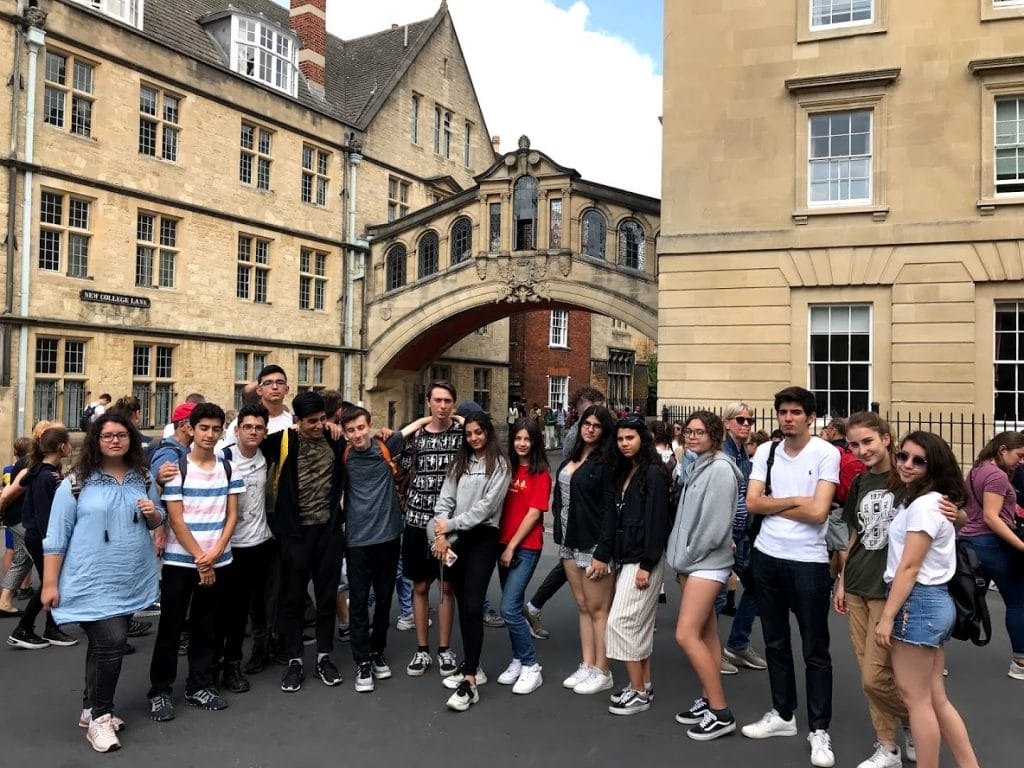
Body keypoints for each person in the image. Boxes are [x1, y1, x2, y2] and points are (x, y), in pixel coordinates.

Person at [41, 411, 165, 752]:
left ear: (131, 440)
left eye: (121, 435)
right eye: (107, 435)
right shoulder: (76, 482)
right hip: (90, 578)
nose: (114, 440)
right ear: (96, 440)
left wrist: (155, 514)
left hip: (129, 576)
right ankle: (100, 717)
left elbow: (156, 519)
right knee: (112, 640)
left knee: (102, 646)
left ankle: (89, 707)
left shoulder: (143, 476)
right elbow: (55, 536)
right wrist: (49, 584)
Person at [742, 386, 839, 768]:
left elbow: (820, 514)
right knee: (775, 642)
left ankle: (819, 729)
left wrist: (776, 504)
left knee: (815, 649)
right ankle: (783, 714)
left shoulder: (826, 453)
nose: (788, 418)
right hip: (767, 557)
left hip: (809, 562)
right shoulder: (766, 451)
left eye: (796, 412)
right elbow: (752, 503)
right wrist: (798, 500)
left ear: (810, 417)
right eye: (783, 411)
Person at [875, 432, 979, 768]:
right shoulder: (930, 501)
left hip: (916, 603)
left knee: (916, 700)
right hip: (933, 602)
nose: (907, 464)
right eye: (904, 456)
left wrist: (888, 616)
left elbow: (909, 567)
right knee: (935, 698)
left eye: (918, 460)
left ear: (933, 465)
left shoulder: (922, 505)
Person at [147, 403, 242, 721]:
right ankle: (160, 691)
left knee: (208, 626)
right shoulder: (177, 468)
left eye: (217, 429)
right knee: (171, 628)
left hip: (219, 561)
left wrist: (214, 555)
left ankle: (198, 686)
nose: (210, 434)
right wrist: (202, 559)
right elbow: (176, 520)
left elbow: (232, 515)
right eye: (204, 428)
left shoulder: (228, 467)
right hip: (180, 563)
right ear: (192, 428)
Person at [261, 391, 347, 693]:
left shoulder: (336, 439)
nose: (318, 425)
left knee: (326, 598)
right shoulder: (283, 440)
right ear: (297, 421)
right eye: (311, 421)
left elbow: (369, 440)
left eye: (322, 419)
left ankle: (324, 655)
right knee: (292, 598)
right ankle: (295, 659)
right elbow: (246, 449)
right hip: (295, 533)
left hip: (328, 531)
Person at [341, 405, 431, 693]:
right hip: (357, 541)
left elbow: (416, 423)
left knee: (383, 600)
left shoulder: (385, 445)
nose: (357, 434)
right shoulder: (343, 455)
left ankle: (377, 652)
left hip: (389, 538)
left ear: (370, 426)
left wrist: (452, 416)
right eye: (350, 430)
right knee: (357, 602)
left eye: (360, 428)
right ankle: (362, 661)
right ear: (344, 433)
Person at [429, 412, 511, 711]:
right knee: (463, 603)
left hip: (482, 537)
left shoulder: (499, 465)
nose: (474, 438)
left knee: (475, 604)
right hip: (454, 540)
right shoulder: (458, 463)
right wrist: (439, 536)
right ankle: (473, 666)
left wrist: (448, 526)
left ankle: (469, 682)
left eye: (479, 432)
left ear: (488, 432)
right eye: (469, 434)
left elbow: (486, 508)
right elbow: (444, 503)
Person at [668, 411, 741, 738]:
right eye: (688, 431)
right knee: (707, 633)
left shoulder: (721, 470)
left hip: (705, 563)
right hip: (693, 562)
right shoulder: (696, 465)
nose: (692, 436)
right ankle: (708, 698)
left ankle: (722, 712)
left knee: (685, 634)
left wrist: (687, 554)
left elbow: (714, 527)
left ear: (713, 434)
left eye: (699, 432)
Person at [524, 386, 606, 640]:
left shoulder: (594, 436)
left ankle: (535, 605)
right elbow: (570, 476)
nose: (590, 424)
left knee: (585, 591)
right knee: (586, 595)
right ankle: (534, 605)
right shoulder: (576, 436)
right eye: (587, 416)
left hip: (581, 522)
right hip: (579, 523)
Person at [605, 414, 671, 716]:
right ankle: (643, 684)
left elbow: (658, 521)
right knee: (639, 626)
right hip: (628, 556)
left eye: (629, 438)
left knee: (621, 622)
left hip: (643, 559)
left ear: (642, 439)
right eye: (620, 439)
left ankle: (638, 692)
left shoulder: (653, 473)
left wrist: (647, 563)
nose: (624, 444)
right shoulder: (627, 471)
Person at [399, 381, 463, 678]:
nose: (442, 406)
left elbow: (484, 432)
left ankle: (444, 649)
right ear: (428, 402)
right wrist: (421, 423)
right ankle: (422, 650)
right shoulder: (417, 437)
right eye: (437, 400)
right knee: (421, 586)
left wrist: (461, 419)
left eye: (447, 401)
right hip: (416, 520)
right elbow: (391, 447)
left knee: (446, 588)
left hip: (448, 525)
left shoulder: (463, 435)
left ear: (454, 403)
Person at [557, 404, 618, 696]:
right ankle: (588, 663)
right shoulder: (572, 456)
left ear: (604, 430)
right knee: (582, 606)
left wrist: (603, 552)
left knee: (598, 610)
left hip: (593, 543)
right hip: (569, 541)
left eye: (597, 425)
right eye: (586, 423)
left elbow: (610, 509)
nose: (590, 428)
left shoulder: (606, 462)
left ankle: (602, 670)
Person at [216, 403, 274, 693]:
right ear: (237, 430)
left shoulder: (268, 456)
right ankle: (215, 662)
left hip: (260, 542)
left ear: (265, 432)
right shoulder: (223, 457)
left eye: (259, 427)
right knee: (224, 608)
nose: (253, 431)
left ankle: (237, 662)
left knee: (254, 606)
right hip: (228, 546)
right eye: (247, 426)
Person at [959, 431, 1024, 680]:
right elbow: (991, 517)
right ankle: (1020, 660)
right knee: (1018, 601)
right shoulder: (996, 475)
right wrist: (1020, 545)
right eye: (1019, 456)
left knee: (965, 600)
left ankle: (933, 656)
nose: (1020, 461)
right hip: (992, 544)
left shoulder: (977, 470)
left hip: (969, 541)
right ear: (1003, 449)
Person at [6, 422, 77, 649]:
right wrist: (55, 540)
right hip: (42, 537)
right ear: (61, 446)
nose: (71, 448)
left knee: (54, 580)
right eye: (68, 444)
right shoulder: (45, 476)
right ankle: (24, 628)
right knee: (50, 581)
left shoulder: (47, 472)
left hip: (41, 536)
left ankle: (50, 627)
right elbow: (45, 513)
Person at [494, 417, 550, 695]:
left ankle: (531, 665)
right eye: (518, 438)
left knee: (508, 608)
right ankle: (517, 658)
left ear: (535, 441)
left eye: (527, 439)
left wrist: (511, 546)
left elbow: (534, 513)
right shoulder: (506, 468)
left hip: (525, 546)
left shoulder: (540, 473)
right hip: (502, 544)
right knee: (511, 607)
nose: (522, 443)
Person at [720, 402, 768, 673]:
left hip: (744, 535)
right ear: (727, 423)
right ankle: (710, 653)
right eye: (740, 420)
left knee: (756, 586)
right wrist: (726, 534)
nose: (746, 424)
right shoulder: (723, 454)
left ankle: (737, 644)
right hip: (727, 537)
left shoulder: (742, 455)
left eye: (750, 420)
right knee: (714, 597)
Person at [0, 437, 32, 617]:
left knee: (20, 559)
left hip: (15, 518)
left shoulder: (15, 466)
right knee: (43, 555)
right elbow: (8, 493)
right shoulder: (27, 466)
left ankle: (4, 601)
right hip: (21, 519)